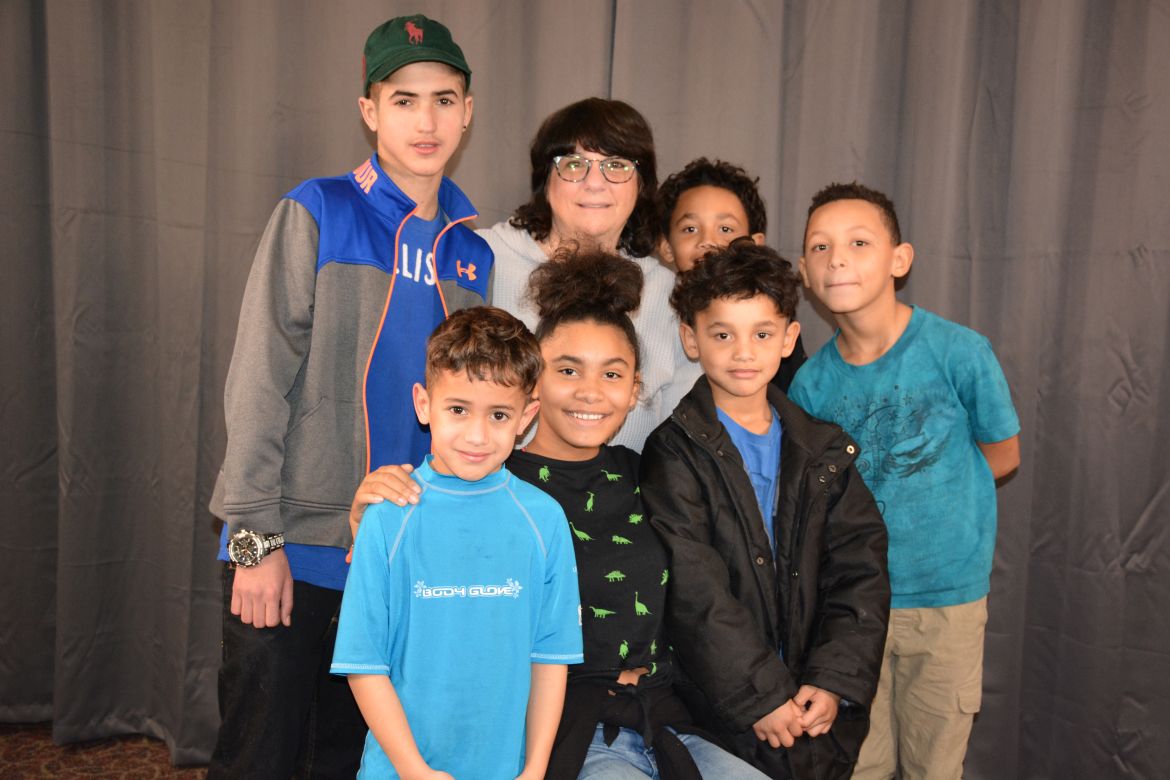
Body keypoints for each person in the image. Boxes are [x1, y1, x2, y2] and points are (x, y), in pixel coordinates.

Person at [206, 15, 491, 778]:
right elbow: (258, 377)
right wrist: (254, 544)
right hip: (289, 549)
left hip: (395, 557)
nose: (425, 121)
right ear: (369, 111)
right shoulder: (318, 210)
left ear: (467, 112)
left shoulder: (471, 253)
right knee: (261, 757)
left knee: (348, 760)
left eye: (444, 100)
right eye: (403, 100)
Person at [502, 250, 768, 779]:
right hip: (567, 732)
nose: (590, 392)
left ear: (634, 390)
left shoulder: (651, 475)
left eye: (612, 373)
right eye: (568, 370)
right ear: (532, 380)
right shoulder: (495, 486)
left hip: (666, 718)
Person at [787, 182, 1021, 780]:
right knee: (857, 765)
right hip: (850, 608)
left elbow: (1001, 456)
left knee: (933, 766)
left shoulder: (959, 352)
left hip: (944, 604)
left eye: (858, 243)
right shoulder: (810, 386)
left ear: (900, 259)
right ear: (804, 273)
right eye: (820, 247)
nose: (837, 259)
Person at [639, 242, 891, 779]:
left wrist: (832, 680)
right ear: (690, 339)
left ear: (788, 338)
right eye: (722, 334)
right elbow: (694, 590)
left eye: (761, 333)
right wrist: (762, 695)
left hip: (815, 705)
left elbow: (860, 571)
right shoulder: (673, 452)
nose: (743, 352)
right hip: (722, 711)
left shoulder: (824, 449)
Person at [332, 307, 583, 779]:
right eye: (458, 409)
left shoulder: (545, 520)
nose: (477, 435)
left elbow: (550, 661)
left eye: (499, 414)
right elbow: (363, 664)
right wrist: (415, 771)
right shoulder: (387, 516)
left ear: (526, 417)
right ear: (424, 404)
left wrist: (534, 770)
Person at [482, 97, 700, 450]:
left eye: (616, 165)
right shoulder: (482, 259)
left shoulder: (669, 296)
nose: (595, 183)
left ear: (641, 184)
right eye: (573, 164)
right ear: (545, 180)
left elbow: (682, 443)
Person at [656, 157, 806, 391]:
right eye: (690, 229)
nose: (707, 241)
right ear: (666, 247)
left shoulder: (771, 314)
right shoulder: (652, 310)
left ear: (754, 244)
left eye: (725, 229)